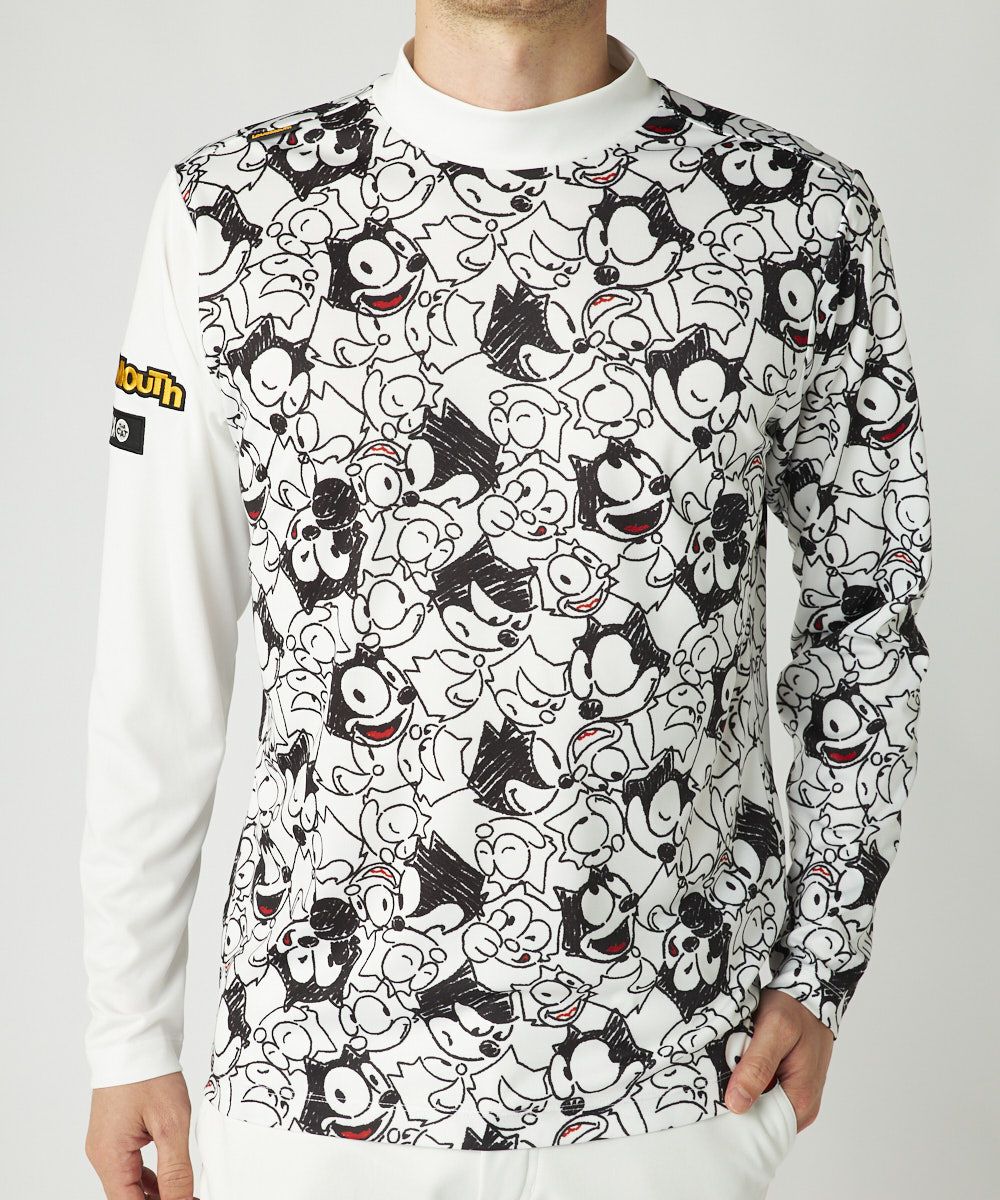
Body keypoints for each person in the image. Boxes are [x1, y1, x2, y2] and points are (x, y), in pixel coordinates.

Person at [81, 2, 933, 1198]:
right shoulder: (233, 211)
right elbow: (157, 645)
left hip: (677, 1087)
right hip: (310, 1083)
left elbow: (869, 611)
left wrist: (821, 963)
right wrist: (128, 1031)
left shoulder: (798, 216)